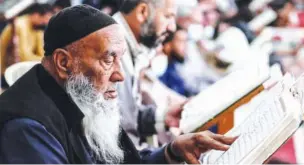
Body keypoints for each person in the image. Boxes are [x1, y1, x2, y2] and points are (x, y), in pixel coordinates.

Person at [0, 5, 237, 164]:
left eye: (120, 59)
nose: (119, 75)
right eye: (108, 59)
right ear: (64, 62)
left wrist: (171, 152)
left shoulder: (79, 96)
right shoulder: (27, 128)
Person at [112, 0, 181, 149]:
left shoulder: (129, 46)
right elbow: (118, 136)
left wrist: (164, 117)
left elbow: (127, 118)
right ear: (142, 12)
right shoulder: (111, 50)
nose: (172, 27)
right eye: (168, 16)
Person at [0, 3, 53, 84]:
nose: (45, 23)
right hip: (6, 72)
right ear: (35, 15)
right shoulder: (19, 25)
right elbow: (24, 57)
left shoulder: (38, 28)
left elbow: (42, 52)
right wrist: (47, 62)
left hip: (21, 70)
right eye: (44, 20)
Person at [159, 29, 193, 97]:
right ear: (168, 44)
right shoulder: (159, 67)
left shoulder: (174, 67)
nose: (185, 46)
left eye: (186, 41)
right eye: (181, 41)